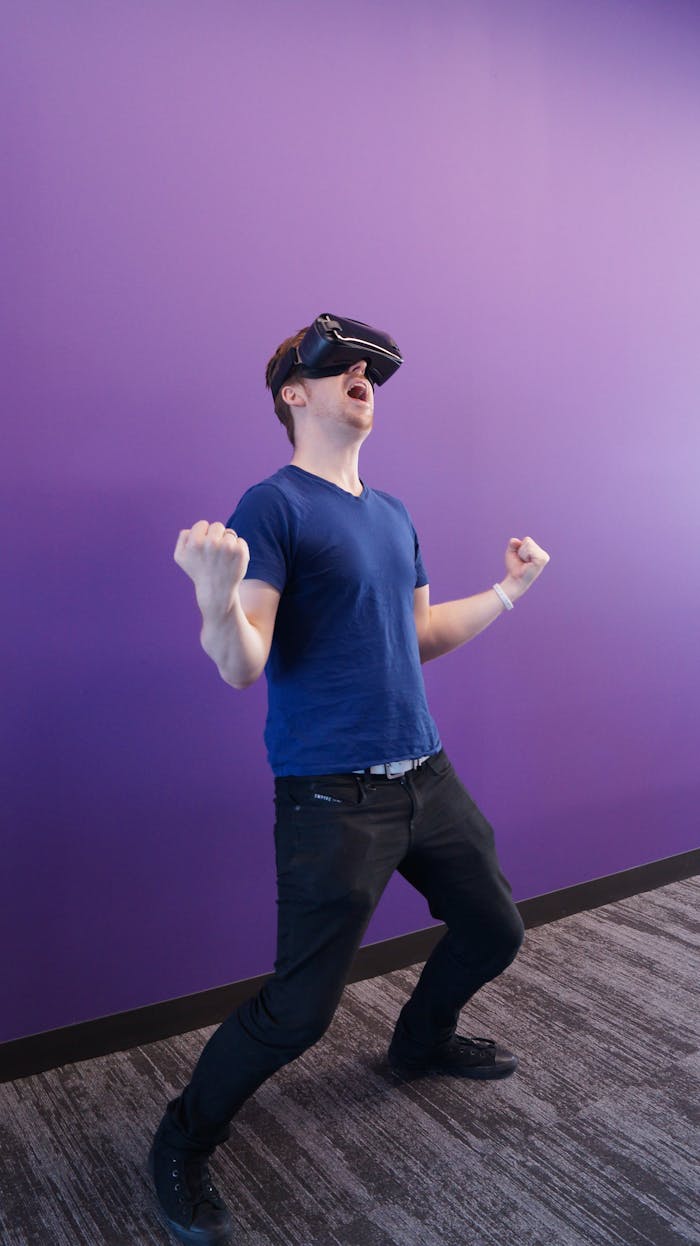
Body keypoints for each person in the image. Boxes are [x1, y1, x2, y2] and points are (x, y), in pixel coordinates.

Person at [148, 318, 550, 1245]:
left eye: (371, 371)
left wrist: (507, 594)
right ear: (295, 393)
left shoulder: (393, 512)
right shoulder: (272, 505)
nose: (363, 377)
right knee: (297, 1015)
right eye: (340, 368)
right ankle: (181, 1138)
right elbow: (242, 662)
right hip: (334, 798)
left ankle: (418, 1041)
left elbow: (419, 637)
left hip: (426, 774)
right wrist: (215, 597)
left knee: (494, 927)